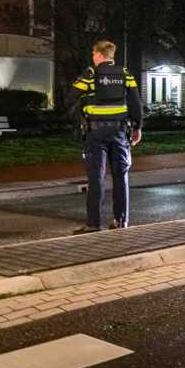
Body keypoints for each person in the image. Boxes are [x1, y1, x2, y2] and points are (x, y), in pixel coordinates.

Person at [64, 40, 143, 234]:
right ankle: (120, 221)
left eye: (93, 54)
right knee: (121, 177)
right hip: (120, 132)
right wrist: (137, 128)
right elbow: (136, 103)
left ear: (99, 55)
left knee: (95, 178)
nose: (92, 57)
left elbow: (69, 100)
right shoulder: (126, 74)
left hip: (95, 133)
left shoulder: (90, 75)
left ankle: (93, 224)